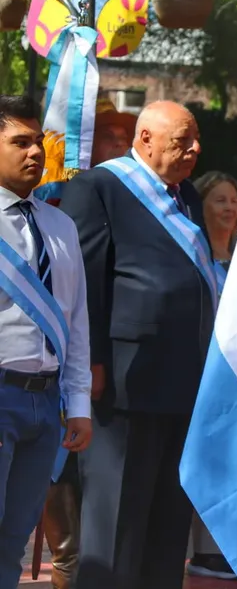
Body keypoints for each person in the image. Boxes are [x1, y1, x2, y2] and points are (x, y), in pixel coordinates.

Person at [60, 101, 217, 589]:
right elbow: (86, 281)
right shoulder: (98, 187)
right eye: (181, 141)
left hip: (183, 380)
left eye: (195, 140)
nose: (194, 149)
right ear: (145, 139)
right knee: (116, 528)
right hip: (124, 382)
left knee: (166, 525)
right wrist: (94, 364)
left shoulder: (187, 193)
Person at [38, 97, 135, 589]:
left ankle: (70, 564)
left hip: (91, 370)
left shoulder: (135, 197)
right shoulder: (58, 192)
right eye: (110, 138)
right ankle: (65, 560)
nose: (119, 147)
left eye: (126, 139)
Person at [0, 95, 93, 589]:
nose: (35, 152)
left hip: (46, 404)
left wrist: (77, 403)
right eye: (20, 142)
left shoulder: (61, 226)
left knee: (14, 540)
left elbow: (75, 324)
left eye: (38, 141)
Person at [185, 171, 237, 582]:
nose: (229, 208)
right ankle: (201, 548)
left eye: (234, 201)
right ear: (202, 205)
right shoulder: (192, 258)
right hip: (197, 378)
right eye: (220, 200)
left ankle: (229, 543)